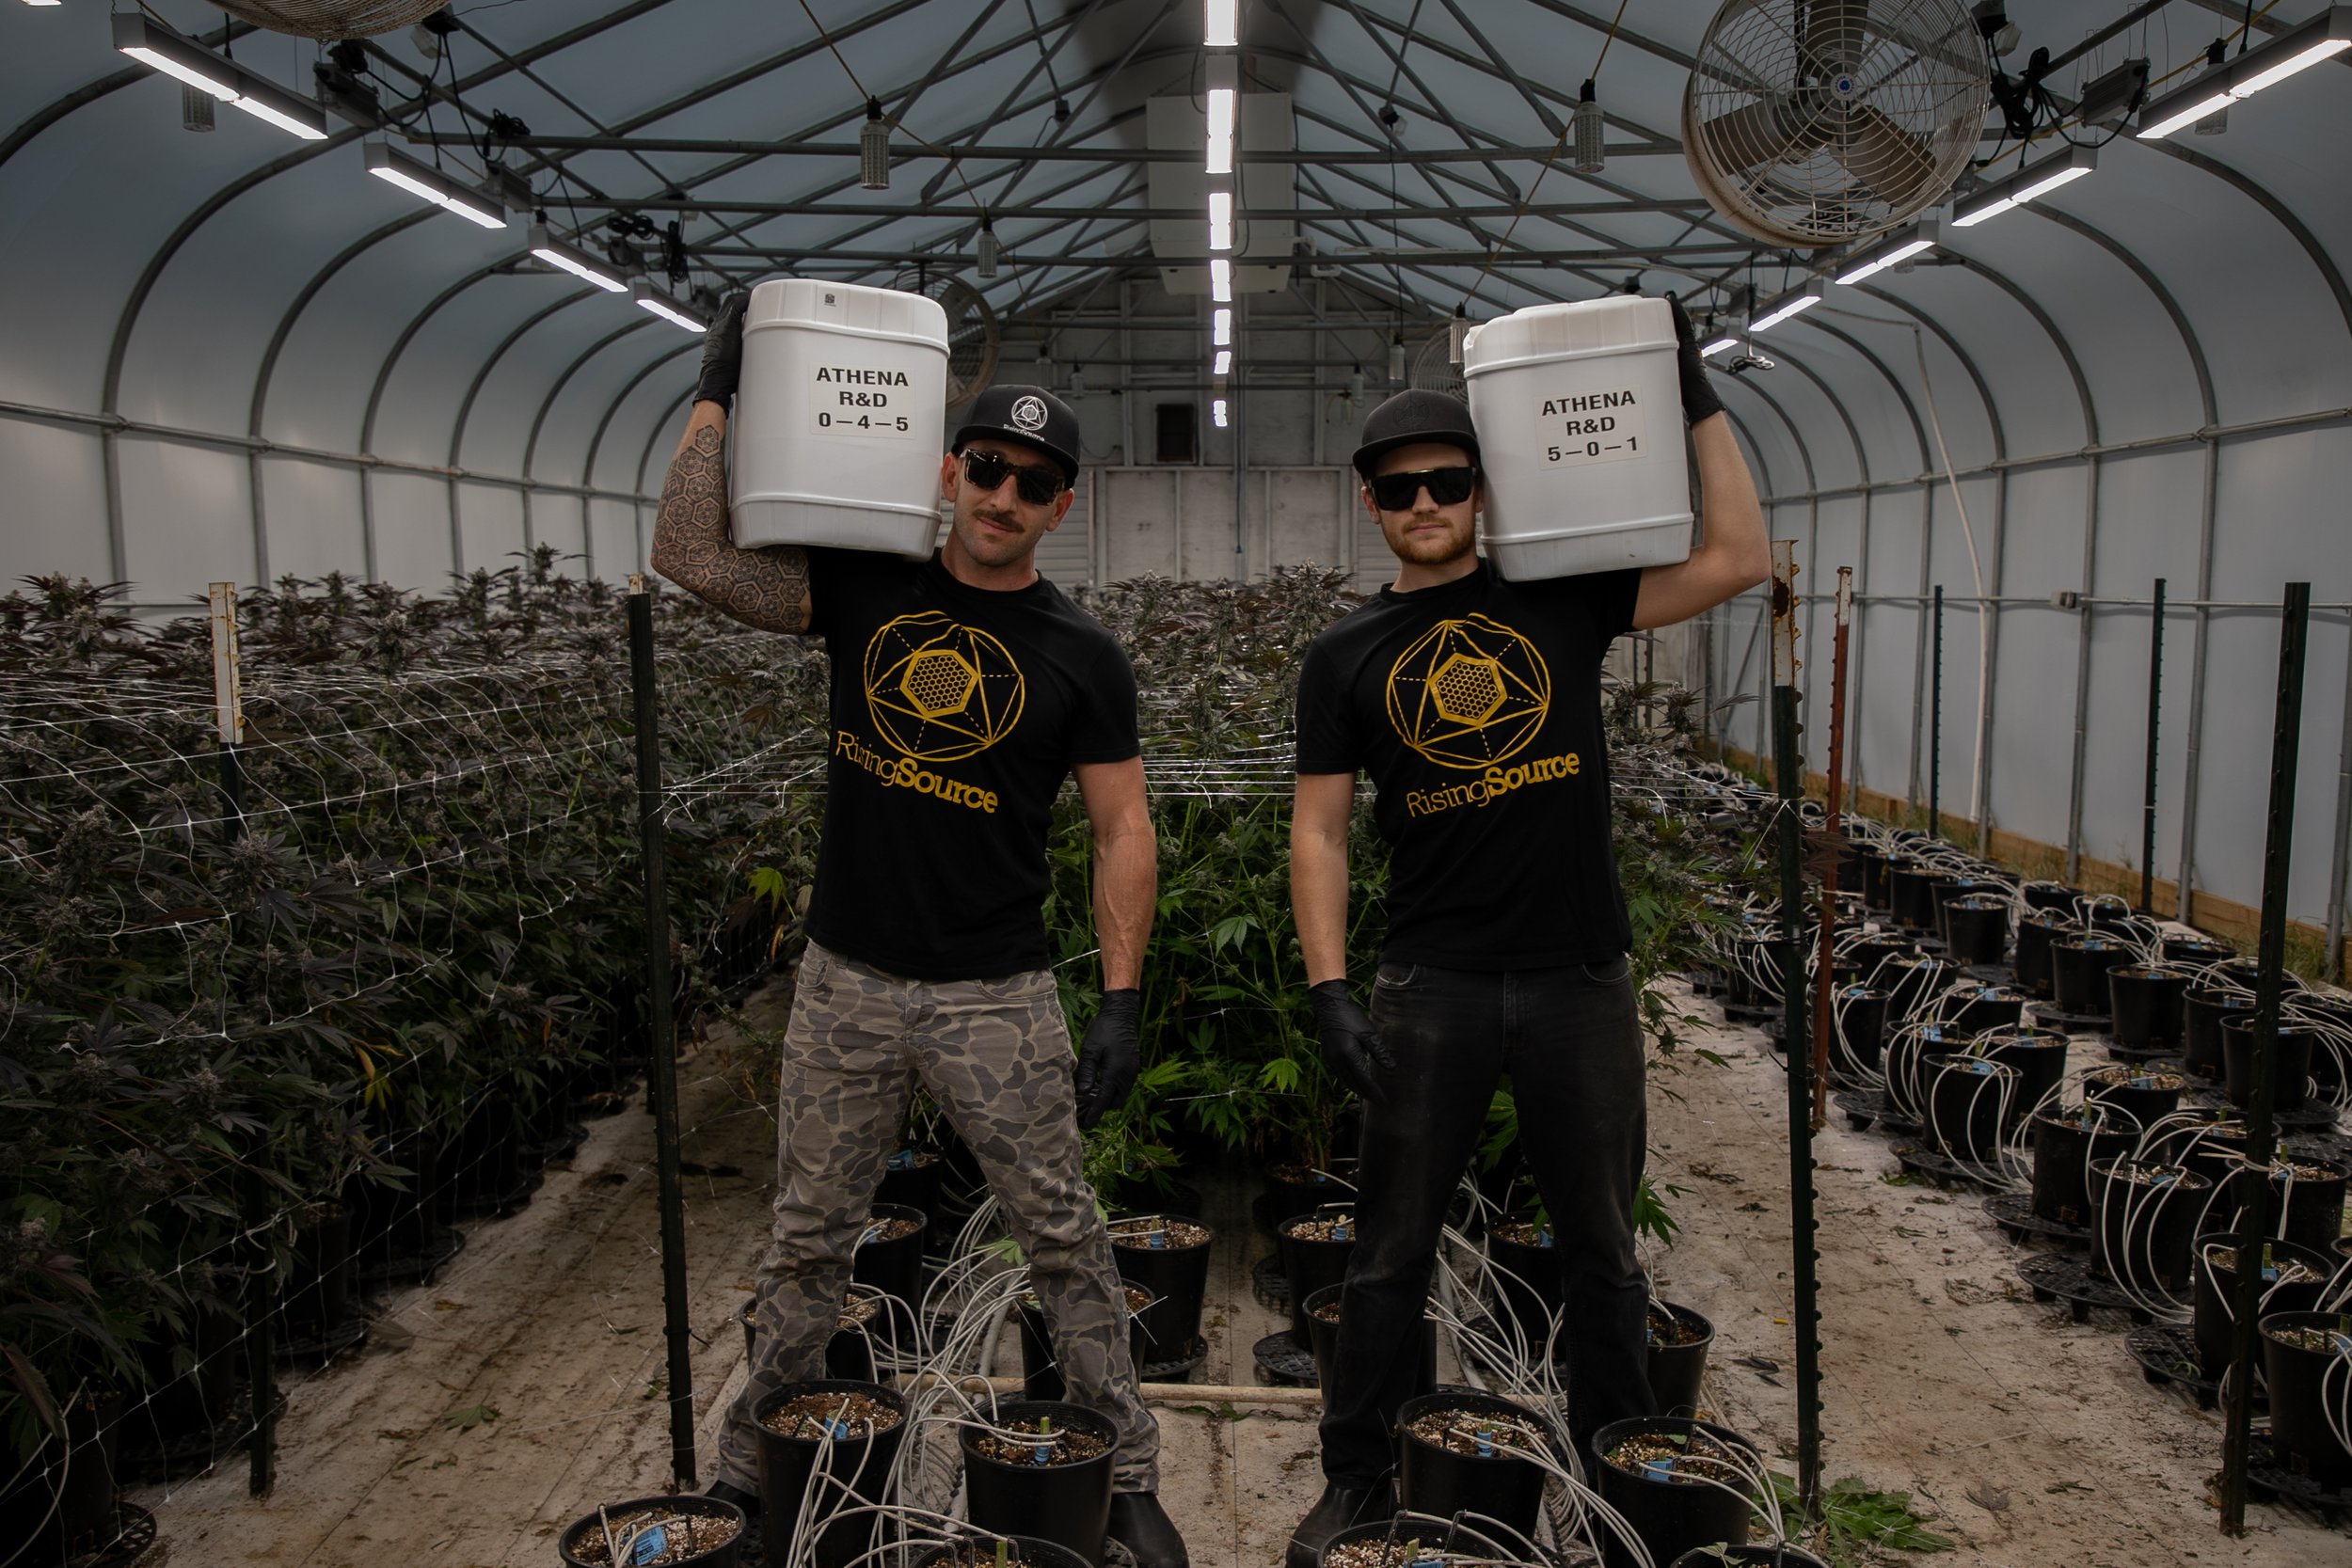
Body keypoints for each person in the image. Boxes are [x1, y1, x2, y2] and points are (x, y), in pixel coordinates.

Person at [651, 293, 1186, 1568]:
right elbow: (689, 555)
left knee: (1064, 1240)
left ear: (1062, 508)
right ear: (949, 473)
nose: (1004, 496)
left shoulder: (1082, 655)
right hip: (847, 981)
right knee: (806, 1242)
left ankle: (1129, 1476)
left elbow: (1124, 829)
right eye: (987, 467)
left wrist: (1119, 1001)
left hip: (996, 994)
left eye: (1034, 483)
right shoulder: (861, 590)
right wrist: (718, 391)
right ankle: (753, 1473)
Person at [1282, 298, 1770, 1566]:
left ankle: (1615, 1490)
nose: (1425, 502)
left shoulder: (1562, 600)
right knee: (1388, 1253)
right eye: (1400, 488)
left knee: (1602, 1251)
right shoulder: (1345, 656)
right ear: (1372, 506)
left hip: (1577, 981)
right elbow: (1320, 832)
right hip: (1430, 984)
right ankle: (1357, 1479)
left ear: (1484, 490)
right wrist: (1331, 988)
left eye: (1446, 481)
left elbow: (1738, 556)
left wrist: (1692, 393)